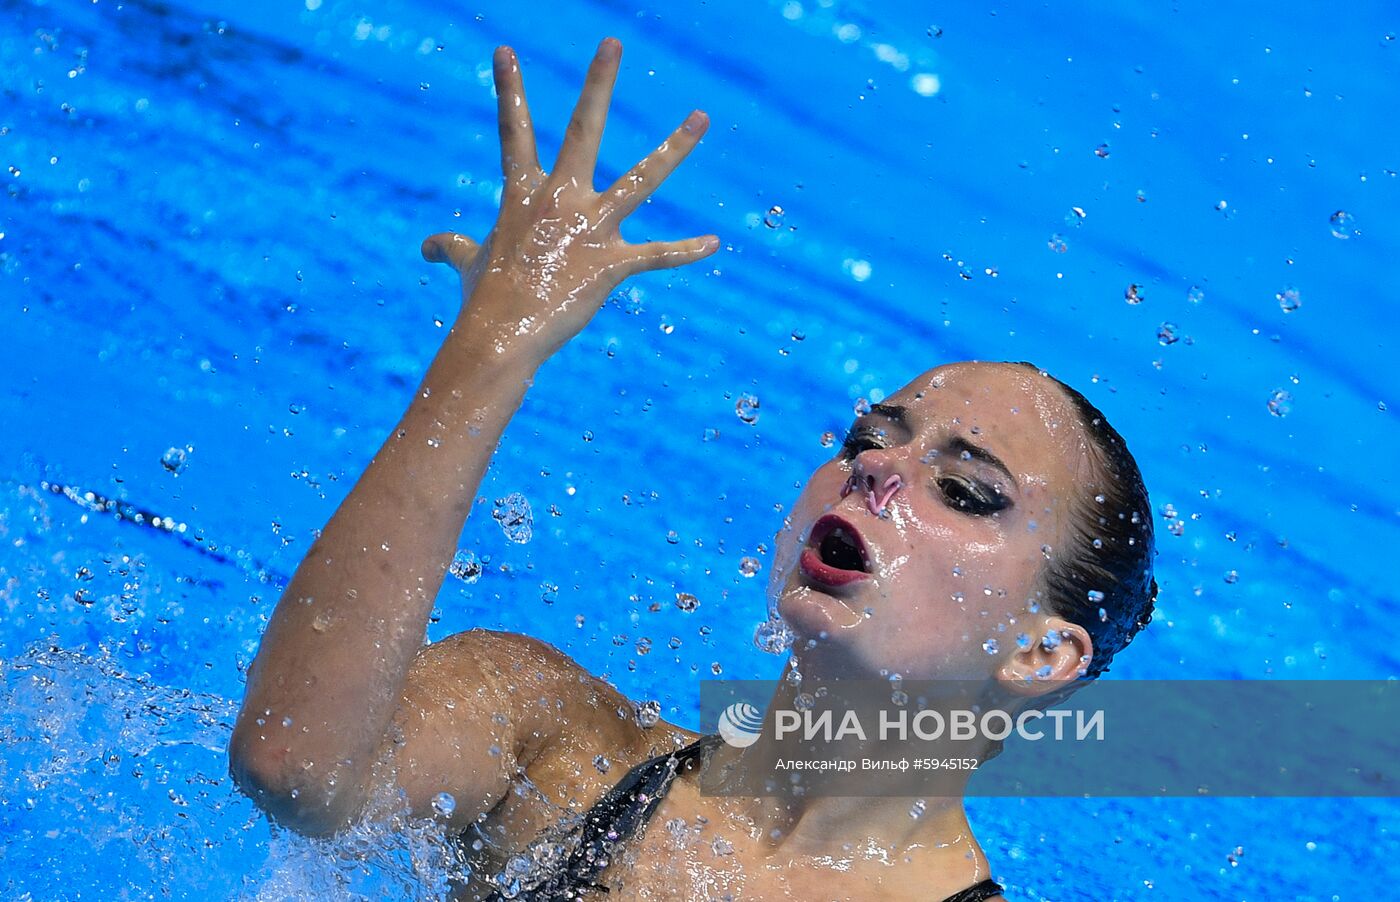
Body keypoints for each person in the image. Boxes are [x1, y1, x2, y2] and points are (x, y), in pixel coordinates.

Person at [229, 37, 1156, 901]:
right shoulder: (560, 750)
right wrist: (492, 346)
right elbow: (295, 763)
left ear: (1043, 651)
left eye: (964, 490)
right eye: (870, 437)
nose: (879, 471)